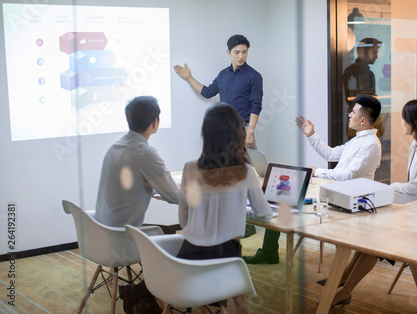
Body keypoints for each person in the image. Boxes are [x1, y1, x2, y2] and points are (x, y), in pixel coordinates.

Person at [325, 99, 417, 308]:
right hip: (413, 206)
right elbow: (411, 189)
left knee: (376, 241)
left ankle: (344, 289)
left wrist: (389, 187)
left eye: (405, 118)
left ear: (416, 122)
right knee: (371, 233)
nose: (400, 122)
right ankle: (344, 278)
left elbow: (415, 187)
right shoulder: (416, 144)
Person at [243, 95, 382, 264]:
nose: (349, 114)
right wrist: (311, 135)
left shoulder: (371, 145)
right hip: (334, 191)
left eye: (353, 112)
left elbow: (348, 175)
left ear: (363, 120)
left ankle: (268, 247)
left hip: (346, 201)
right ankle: (269, 251)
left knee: (286, 196)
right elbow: (331, 154)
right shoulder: (357, 140)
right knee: (282, 194)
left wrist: (317, 172)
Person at [177, 102, 273, 313]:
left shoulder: (189, 168)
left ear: (206, 134)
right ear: (237, 134)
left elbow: (183, 217)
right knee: (231, 261)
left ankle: (227, 304)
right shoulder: (245, 172)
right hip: (224, 257)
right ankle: (232, 302)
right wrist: (238, 213)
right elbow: (265, 215)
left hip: (188, 257)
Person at [94, 96, 180, 228]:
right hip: (124, 237)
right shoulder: (146, 154)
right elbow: (176, 196)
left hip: (105, 233)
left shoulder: (115, 146)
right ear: (155, 122)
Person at [173, 34, 263, 148]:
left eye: (244, 52)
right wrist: (189, 78)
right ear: (228, 52)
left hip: (242, 129)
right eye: (237, 52)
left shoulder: (254, 76)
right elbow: (208, 92)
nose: (241, 56)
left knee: (249, 165)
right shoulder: (223, 75)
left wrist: (250, 132)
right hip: (223, 129)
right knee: (224, 165)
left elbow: (256, 105)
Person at [343, 37, 384, 139]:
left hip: (366, 123)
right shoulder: (351, 73)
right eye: (374, 52)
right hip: (359, 124)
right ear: (363, 51)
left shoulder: (369, 74)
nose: (377, 56)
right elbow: (351, 99)